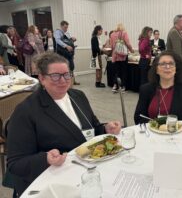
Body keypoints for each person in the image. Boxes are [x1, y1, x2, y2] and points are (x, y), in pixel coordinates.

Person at [6, 52, 121, 196]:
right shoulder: (26, 111)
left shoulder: (78, 96)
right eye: (55, 76)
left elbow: (91, 128)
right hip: (54, 182)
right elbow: (15, 164)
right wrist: (45, 158)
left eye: (67, 74)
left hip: (86, 170)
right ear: (41, 78)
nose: (63, 80)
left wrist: (105, 128)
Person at [134, 51, 182, 124]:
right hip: (153, 133)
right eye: (163, 64)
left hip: (179, 133)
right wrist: (154, 127)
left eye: (171, 64)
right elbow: (139, 118)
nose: (167, 67)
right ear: (156, 70)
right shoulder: (146, 89)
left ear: (176, 69)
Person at [110, 23, 134, 92]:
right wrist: (131, 50)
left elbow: (111, 46)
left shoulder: (112, 34)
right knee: (123, 72)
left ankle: (115, 86)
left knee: (116, 72)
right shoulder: (124, 33)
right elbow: (128, 43)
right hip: (123, 56)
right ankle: (123, 86)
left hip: (115, 56)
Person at [54, 20, 80, 85]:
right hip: (62, 54)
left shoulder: (66, 33)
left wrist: (72, 39)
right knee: (64, 68)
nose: (66, 29)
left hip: (69, 54)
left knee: (71, 67)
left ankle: (72, 81)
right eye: (65, 27)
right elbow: (57, 41)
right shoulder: (57, 32)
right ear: (61, 26)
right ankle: (66, 82)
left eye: (67, 27)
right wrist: (66, 46)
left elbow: (68, 41)